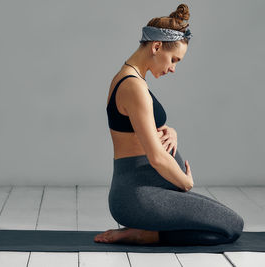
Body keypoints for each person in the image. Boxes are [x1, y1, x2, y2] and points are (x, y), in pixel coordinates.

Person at [94, 4, 244, 246]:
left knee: (227, 223)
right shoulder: (133, 86)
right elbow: (156, 157)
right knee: (232, 227)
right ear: (156, 47)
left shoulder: (133, 80)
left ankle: (146, 233)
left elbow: (142, 130)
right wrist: (185, 183)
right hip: (138, 194)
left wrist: (170, 131)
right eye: (174, 59)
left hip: (149, 189)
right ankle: (143, 234)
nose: (173, 68)